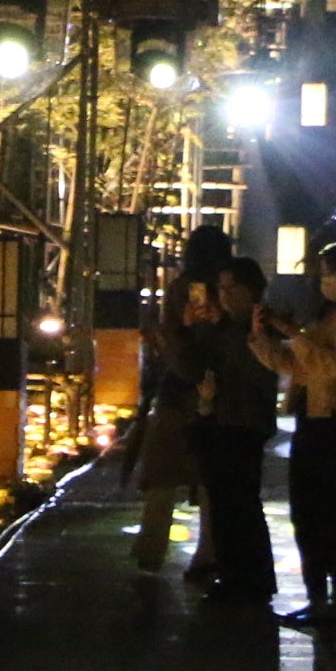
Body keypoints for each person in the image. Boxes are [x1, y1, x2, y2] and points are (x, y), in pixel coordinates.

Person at [259, 238, 336, 627]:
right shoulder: (329, 316)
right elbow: (299, 365)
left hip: (330, 421)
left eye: (330, 273)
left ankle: (335, 599)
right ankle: (318, 596)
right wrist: (264, 337)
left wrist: (295, 333)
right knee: (307, 511)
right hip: (311, 418)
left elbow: (333, 368)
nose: (324, 281)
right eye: (322, 274)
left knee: (324, 511)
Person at [192, 257, 281, 607]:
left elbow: (259, 372)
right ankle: (236, 575)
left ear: (251, 290)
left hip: (245, 422)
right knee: (226, 503)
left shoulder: (257, 326)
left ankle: (249, 578)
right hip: (223, 419)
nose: (224, 296)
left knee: (240, 503)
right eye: (221, 289)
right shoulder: (226, 326)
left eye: (231, 289)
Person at [129, 274, 213, 575]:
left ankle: (152, 551)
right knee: (205, 485)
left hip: (180, 403)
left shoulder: (181, 325)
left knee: (166, 481)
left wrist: (177, 334)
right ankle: (206, 555)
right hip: (200, 404)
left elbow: (185, 365)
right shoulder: (210, 318)